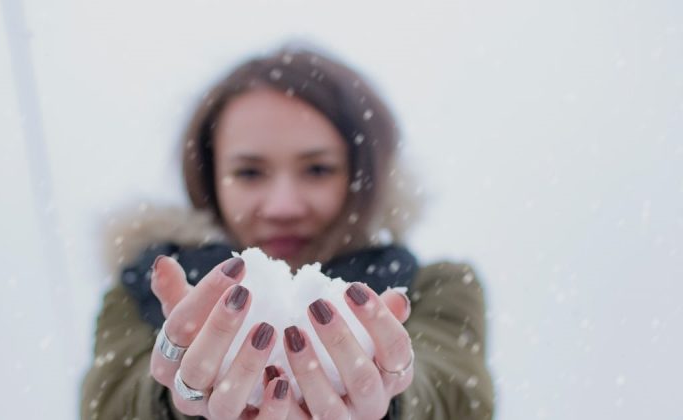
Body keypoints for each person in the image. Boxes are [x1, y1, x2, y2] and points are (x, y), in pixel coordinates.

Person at [80, 43, 494, 419]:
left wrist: (389, 397)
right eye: (249, 172)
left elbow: (457, 397)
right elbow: (109, 405)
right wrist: (171, 401)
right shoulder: (139, 293)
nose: (283, 206)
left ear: (362, 177)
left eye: (317, 169)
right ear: (210, 180)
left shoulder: (434, 287)